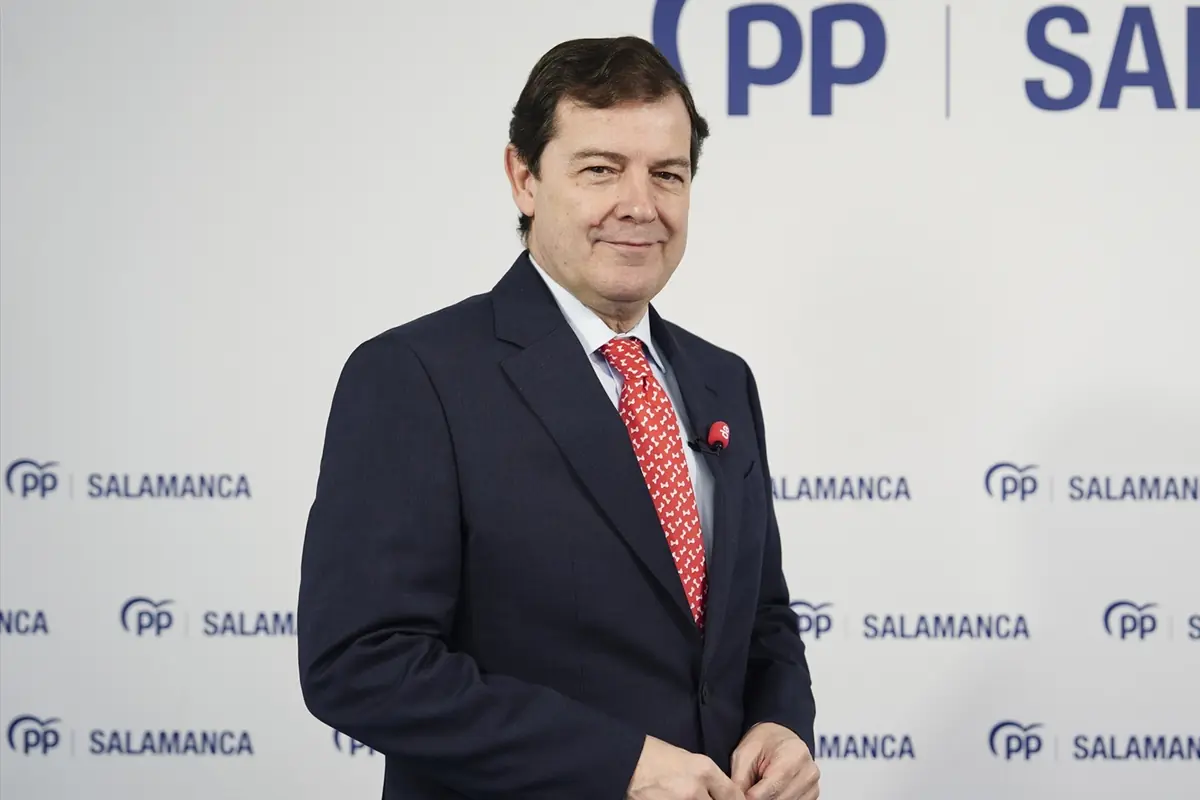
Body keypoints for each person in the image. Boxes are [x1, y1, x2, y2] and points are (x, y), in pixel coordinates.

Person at [297, 35, 819, 800]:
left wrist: (783, 725)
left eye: (667, 175)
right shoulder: (416, 376)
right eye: (601, 169)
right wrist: (620, 765)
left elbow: (761, 619)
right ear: (524, 178)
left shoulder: (721, 381)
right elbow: (360, 663)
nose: (640, 204)